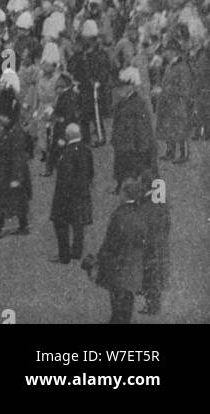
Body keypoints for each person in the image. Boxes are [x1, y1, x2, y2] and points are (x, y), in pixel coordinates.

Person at [88, 179, 148, 324]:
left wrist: (98, 260)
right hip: (134, 268)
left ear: (125, 194)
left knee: (117, 307)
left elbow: (110, 243)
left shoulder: (119, 215)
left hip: (117, 269)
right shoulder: (141, 214)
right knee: (127, 305)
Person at [48, 123, 93, 264]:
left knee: (60, 224)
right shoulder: (86, 150)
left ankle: (64, 255)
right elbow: (91, 172)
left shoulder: (67, 153)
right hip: (83, 193)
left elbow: (64, 176)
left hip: (67, 196)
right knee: (78, 224)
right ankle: (77, 250)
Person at [111, 67, 158, 194]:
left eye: (122, 88)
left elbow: (142, 128)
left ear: (130, 87)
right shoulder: (122, 103)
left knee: (135, 169)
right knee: (123, 166)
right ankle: (121, 186)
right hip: (123, 143)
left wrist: (141, 146)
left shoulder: (138, 104)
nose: (118, 91)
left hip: (133, 145)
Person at [0, 114, 31, 239]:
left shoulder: (16, 133)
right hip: (3, 172)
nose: (1, 118)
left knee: (15, 200)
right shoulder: (5, 129)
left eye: (4, 116)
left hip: (11, 172)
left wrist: (17, 178)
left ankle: (0, 228)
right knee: (7, 199)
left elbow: (18, 157)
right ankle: (5, 226)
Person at [153, 38, 192, 164]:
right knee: (169, 127)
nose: (165, 53)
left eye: (167, 51)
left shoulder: (182, 66)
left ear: (174, 52)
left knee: (180, 128)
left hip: (178, 102)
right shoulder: (170, 65)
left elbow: (185, 88)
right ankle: (170, 152)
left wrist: (166, 90)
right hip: (169, 101)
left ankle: (183, 154)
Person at [137, 174, 170, 315]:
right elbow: (168, 225)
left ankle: (152, 306)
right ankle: (153, 304)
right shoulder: (161, 205)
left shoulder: (147, 206)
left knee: (151, 276)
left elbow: (142, 227)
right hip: (159, 245)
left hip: (150, 247)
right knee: (154, 276)